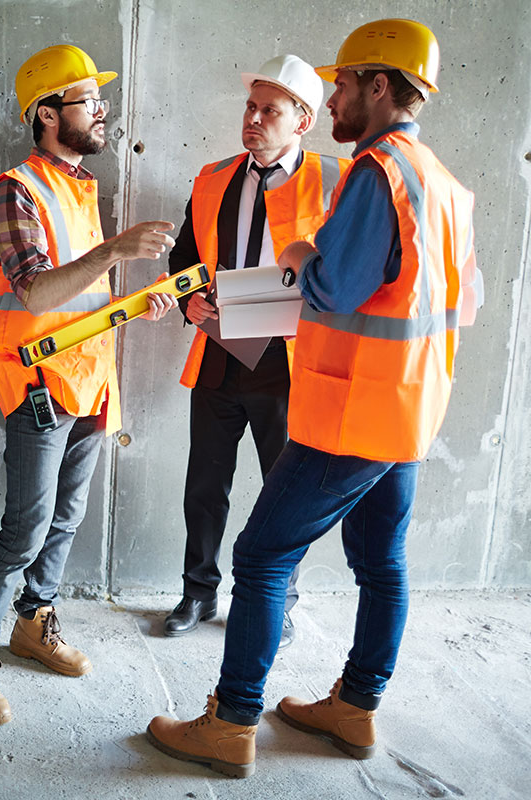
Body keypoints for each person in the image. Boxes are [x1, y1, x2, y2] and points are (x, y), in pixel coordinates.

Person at [147, 19, 479, 777]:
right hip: (409, 406)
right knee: (382, 562)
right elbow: (465, 300)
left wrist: (300, 251)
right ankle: (355, 709)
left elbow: (331, 288)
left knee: (262, 555)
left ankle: (231, 723)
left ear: (380, 86)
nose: (333, 100)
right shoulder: (441, 181)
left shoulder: (374, 172)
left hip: (352, 410)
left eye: (342, 85)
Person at [0, 44, 178, 726]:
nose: (103, 110)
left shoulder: (78, 187)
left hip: (90, 380)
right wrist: (116, 250)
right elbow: (38, 290)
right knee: (24, 530)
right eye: (88, 100)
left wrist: (137, 302)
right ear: (47, 114)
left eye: (100, 99)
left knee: (67, 519)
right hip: (40, 385)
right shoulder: (15, 190)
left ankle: (33, 620)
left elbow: (82, 299)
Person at [163, 56, 350, 647]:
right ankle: (197, 592)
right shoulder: (213, 178)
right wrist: (190, 300)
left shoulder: (337, 180)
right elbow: (184, 260)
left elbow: (345, 274)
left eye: (270, 110)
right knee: (205, 483)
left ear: (303, 121)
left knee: (285, 491)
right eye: (250, 107)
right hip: (219, 352)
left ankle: (278, 603)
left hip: (291, 363)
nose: (254, 118)